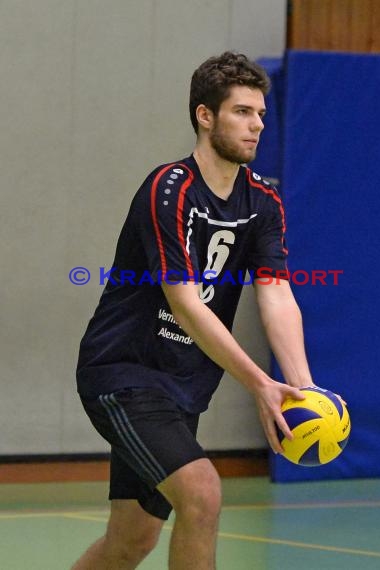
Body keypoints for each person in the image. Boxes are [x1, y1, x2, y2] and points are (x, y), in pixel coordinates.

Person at [72, 51, 316, 570]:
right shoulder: (170, 189)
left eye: (261, 115)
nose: (257, 126)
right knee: (203, 494)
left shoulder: (263, 204)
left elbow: (275, 293)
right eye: (242, 112)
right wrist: (257, 383)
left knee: (131, 539)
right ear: (206, 116)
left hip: (184, 386)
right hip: (125, 374)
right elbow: (184, 303)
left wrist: (301, 388)